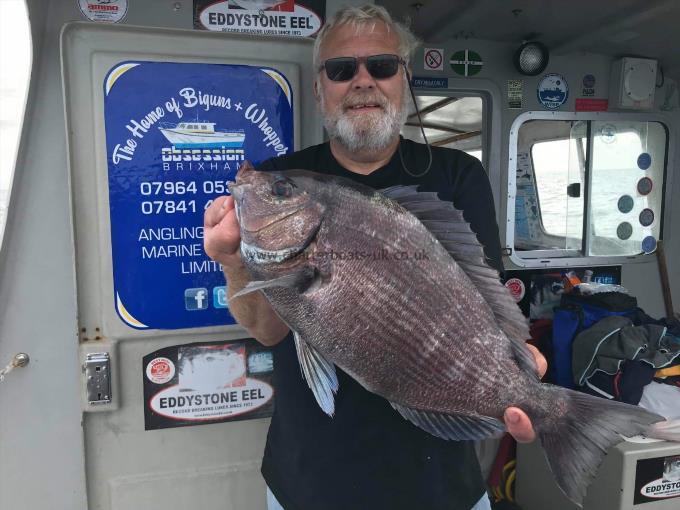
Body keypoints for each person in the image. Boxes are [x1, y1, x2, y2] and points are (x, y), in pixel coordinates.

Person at [204, 5, 547, 510]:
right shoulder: (285, 175)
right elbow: (269, 331)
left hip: (441, 485)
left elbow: (484, 300)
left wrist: (516, 359)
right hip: (309, 480)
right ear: (321, 88)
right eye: (342, 69)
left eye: (381, 66)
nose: (362, 81)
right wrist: (233, 259)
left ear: (404, 80)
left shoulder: (457, 176)